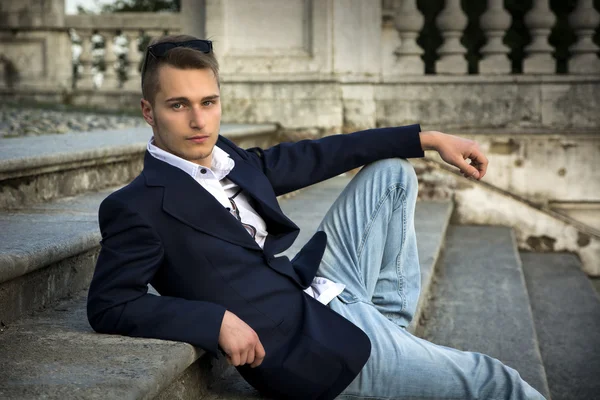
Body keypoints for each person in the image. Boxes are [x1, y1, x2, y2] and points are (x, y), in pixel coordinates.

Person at [86, 34, 545, 400]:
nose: (199, 121)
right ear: (149, 111)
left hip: (319, 290)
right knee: (495, 381)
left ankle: (390, 332)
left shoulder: (225, 156)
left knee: (391, 174)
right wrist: (215, 322)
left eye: (209, 102)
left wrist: (429, 138)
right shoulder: (137, 206)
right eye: (178, 105)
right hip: (308, 347)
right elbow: (110, 305)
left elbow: (319, 153)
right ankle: (385, 355)